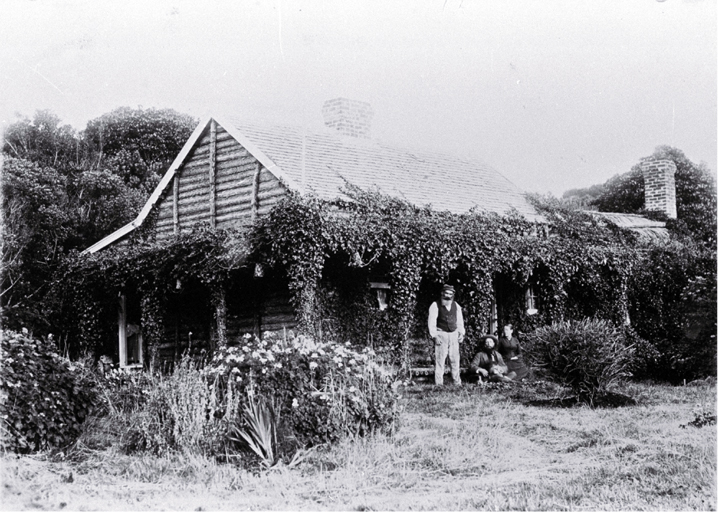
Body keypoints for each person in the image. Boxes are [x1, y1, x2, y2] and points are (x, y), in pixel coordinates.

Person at [428, 284, 465, 386]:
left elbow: (460, 321)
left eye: (450, 294)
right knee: (440, 360)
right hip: (441, 334)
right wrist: (435, 336)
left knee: (455, 360)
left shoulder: (456, 305)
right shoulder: (435, 305)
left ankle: (457, 383)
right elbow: (431, 322)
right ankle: (439, 384)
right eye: (446, 293)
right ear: (442, 293)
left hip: (453, 334)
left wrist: (461, 333)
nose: (448, 296)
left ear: (452, 295)